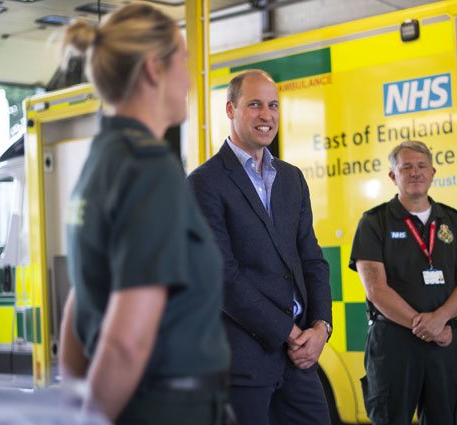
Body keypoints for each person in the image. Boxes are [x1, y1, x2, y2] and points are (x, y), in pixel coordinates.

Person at [58, 4, 231, 425]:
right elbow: (125, 345)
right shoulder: (150, 168)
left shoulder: (102, 159)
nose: (191, 78)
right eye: (185, 61)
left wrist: (79, 406)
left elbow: (80, 301)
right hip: (167, 408)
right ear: (155, 69)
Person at [187, 70, 333, 425]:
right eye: (255, 105)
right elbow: (222, 278)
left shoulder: (291, 178)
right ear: (230, 109)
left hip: (298, 359)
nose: (267, 115)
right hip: (242, 362)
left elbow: (311, 259)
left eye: (273, 106)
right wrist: (290, 332)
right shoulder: (203, 184)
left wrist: (321, 327)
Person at [349, 140, 457, 425]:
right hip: (394, 344)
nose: (415, 172)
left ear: (433, 172)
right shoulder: (374, 222)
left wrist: (440, 321)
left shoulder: (451, 220)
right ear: (393, 176)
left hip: (444, 343)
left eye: (421, 166)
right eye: (406, 167)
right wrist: (427, 327)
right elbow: (376, 289)